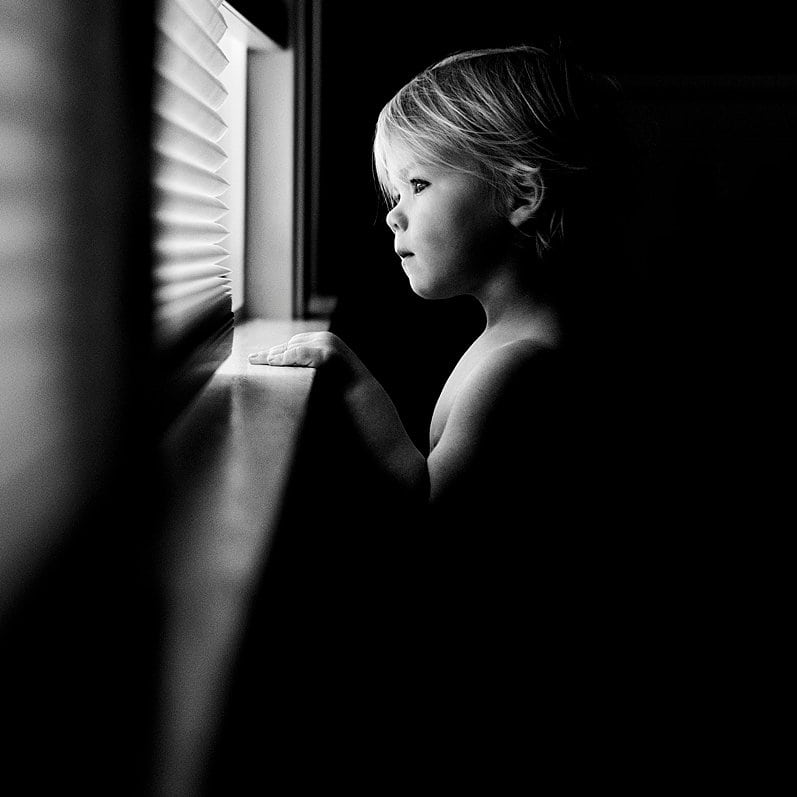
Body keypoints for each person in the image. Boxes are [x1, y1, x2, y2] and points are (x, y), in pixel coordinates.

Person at [244, 45, 640, 761]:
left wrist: (352, 380)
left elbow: (429, 516)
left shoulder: (521, 365)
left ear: (521, 195)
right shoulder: (511, 339)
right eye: (396, 192)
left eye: (418, 184)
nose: (395, 216)